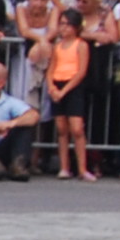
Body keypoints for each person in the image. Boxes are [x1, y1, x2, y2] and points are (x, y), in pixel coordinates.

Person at [44, 10, 97, 179]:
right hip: (58, 83)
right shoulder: (57, 46)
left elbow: (81, 71)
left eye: (67, 24)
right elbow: (51, 68)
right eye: (61, 24)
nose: (63, 28)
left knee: (77, 128)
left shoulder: (81, 45)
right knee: (61, 129)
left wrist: (64, 90)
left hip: (73, 86)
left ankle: (82, 168)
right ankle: (64, 167)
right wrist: (52, 86)